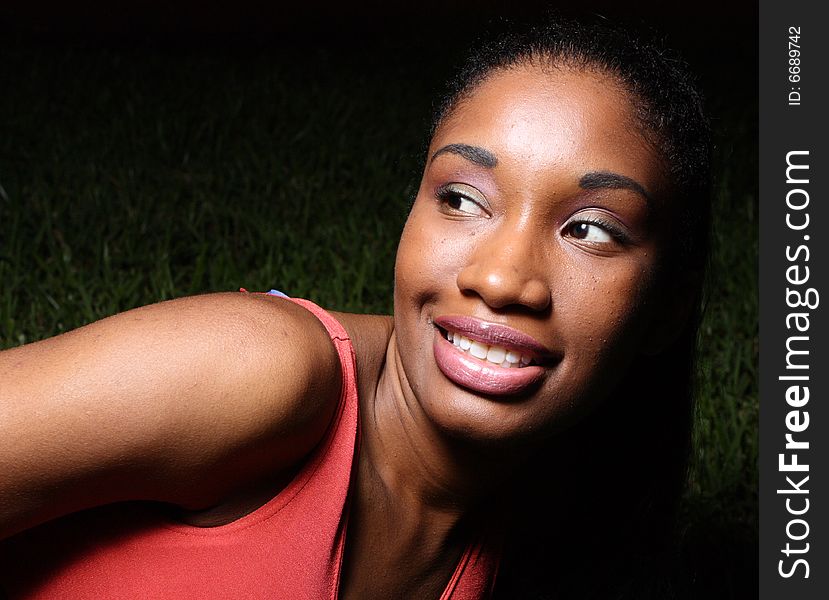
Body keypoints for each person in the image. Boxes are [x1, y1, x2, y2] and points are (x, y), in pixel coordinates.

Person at [0, 16, 710, 600]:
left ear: (666, 308)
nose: (500, 278)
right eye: (461, 199)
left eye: (589, 229)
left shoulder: (541, 543)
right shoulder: (255, 372)